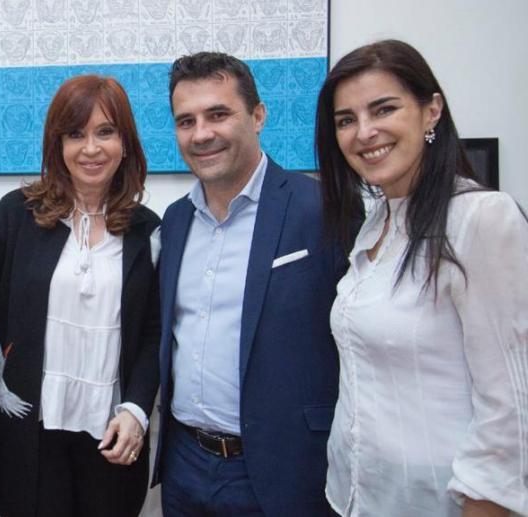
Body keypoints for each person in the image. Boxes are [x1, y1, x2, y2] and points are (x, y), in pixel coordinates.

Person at [316, 39, 528, 516]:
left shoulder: (480, 219)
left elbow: (513, 409)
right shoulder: (377, 222)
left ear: (432, 111)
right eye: (346, 120)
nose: (364, 132)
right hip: (354, 496)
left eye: (383, 109)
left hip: (438, 502)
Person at [152, 51, 345, 516]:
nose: (201, 134)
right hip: (184, 464)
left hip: (283, 469)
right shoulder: (174, 221)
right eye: (186, 121)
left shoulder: (321, 209)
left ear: (258, 116)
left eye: (218, 114)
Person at [0, 74, 160, 517]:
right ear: (57, 144)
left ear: (125, 143)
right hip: (31, 430)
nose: (91, 148)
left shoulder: (148, 230)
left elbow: (154, 333)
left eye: (106, 132)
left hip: (111, 431)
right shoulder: (16, 214)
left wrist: (138, 409)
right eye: (76, 134)